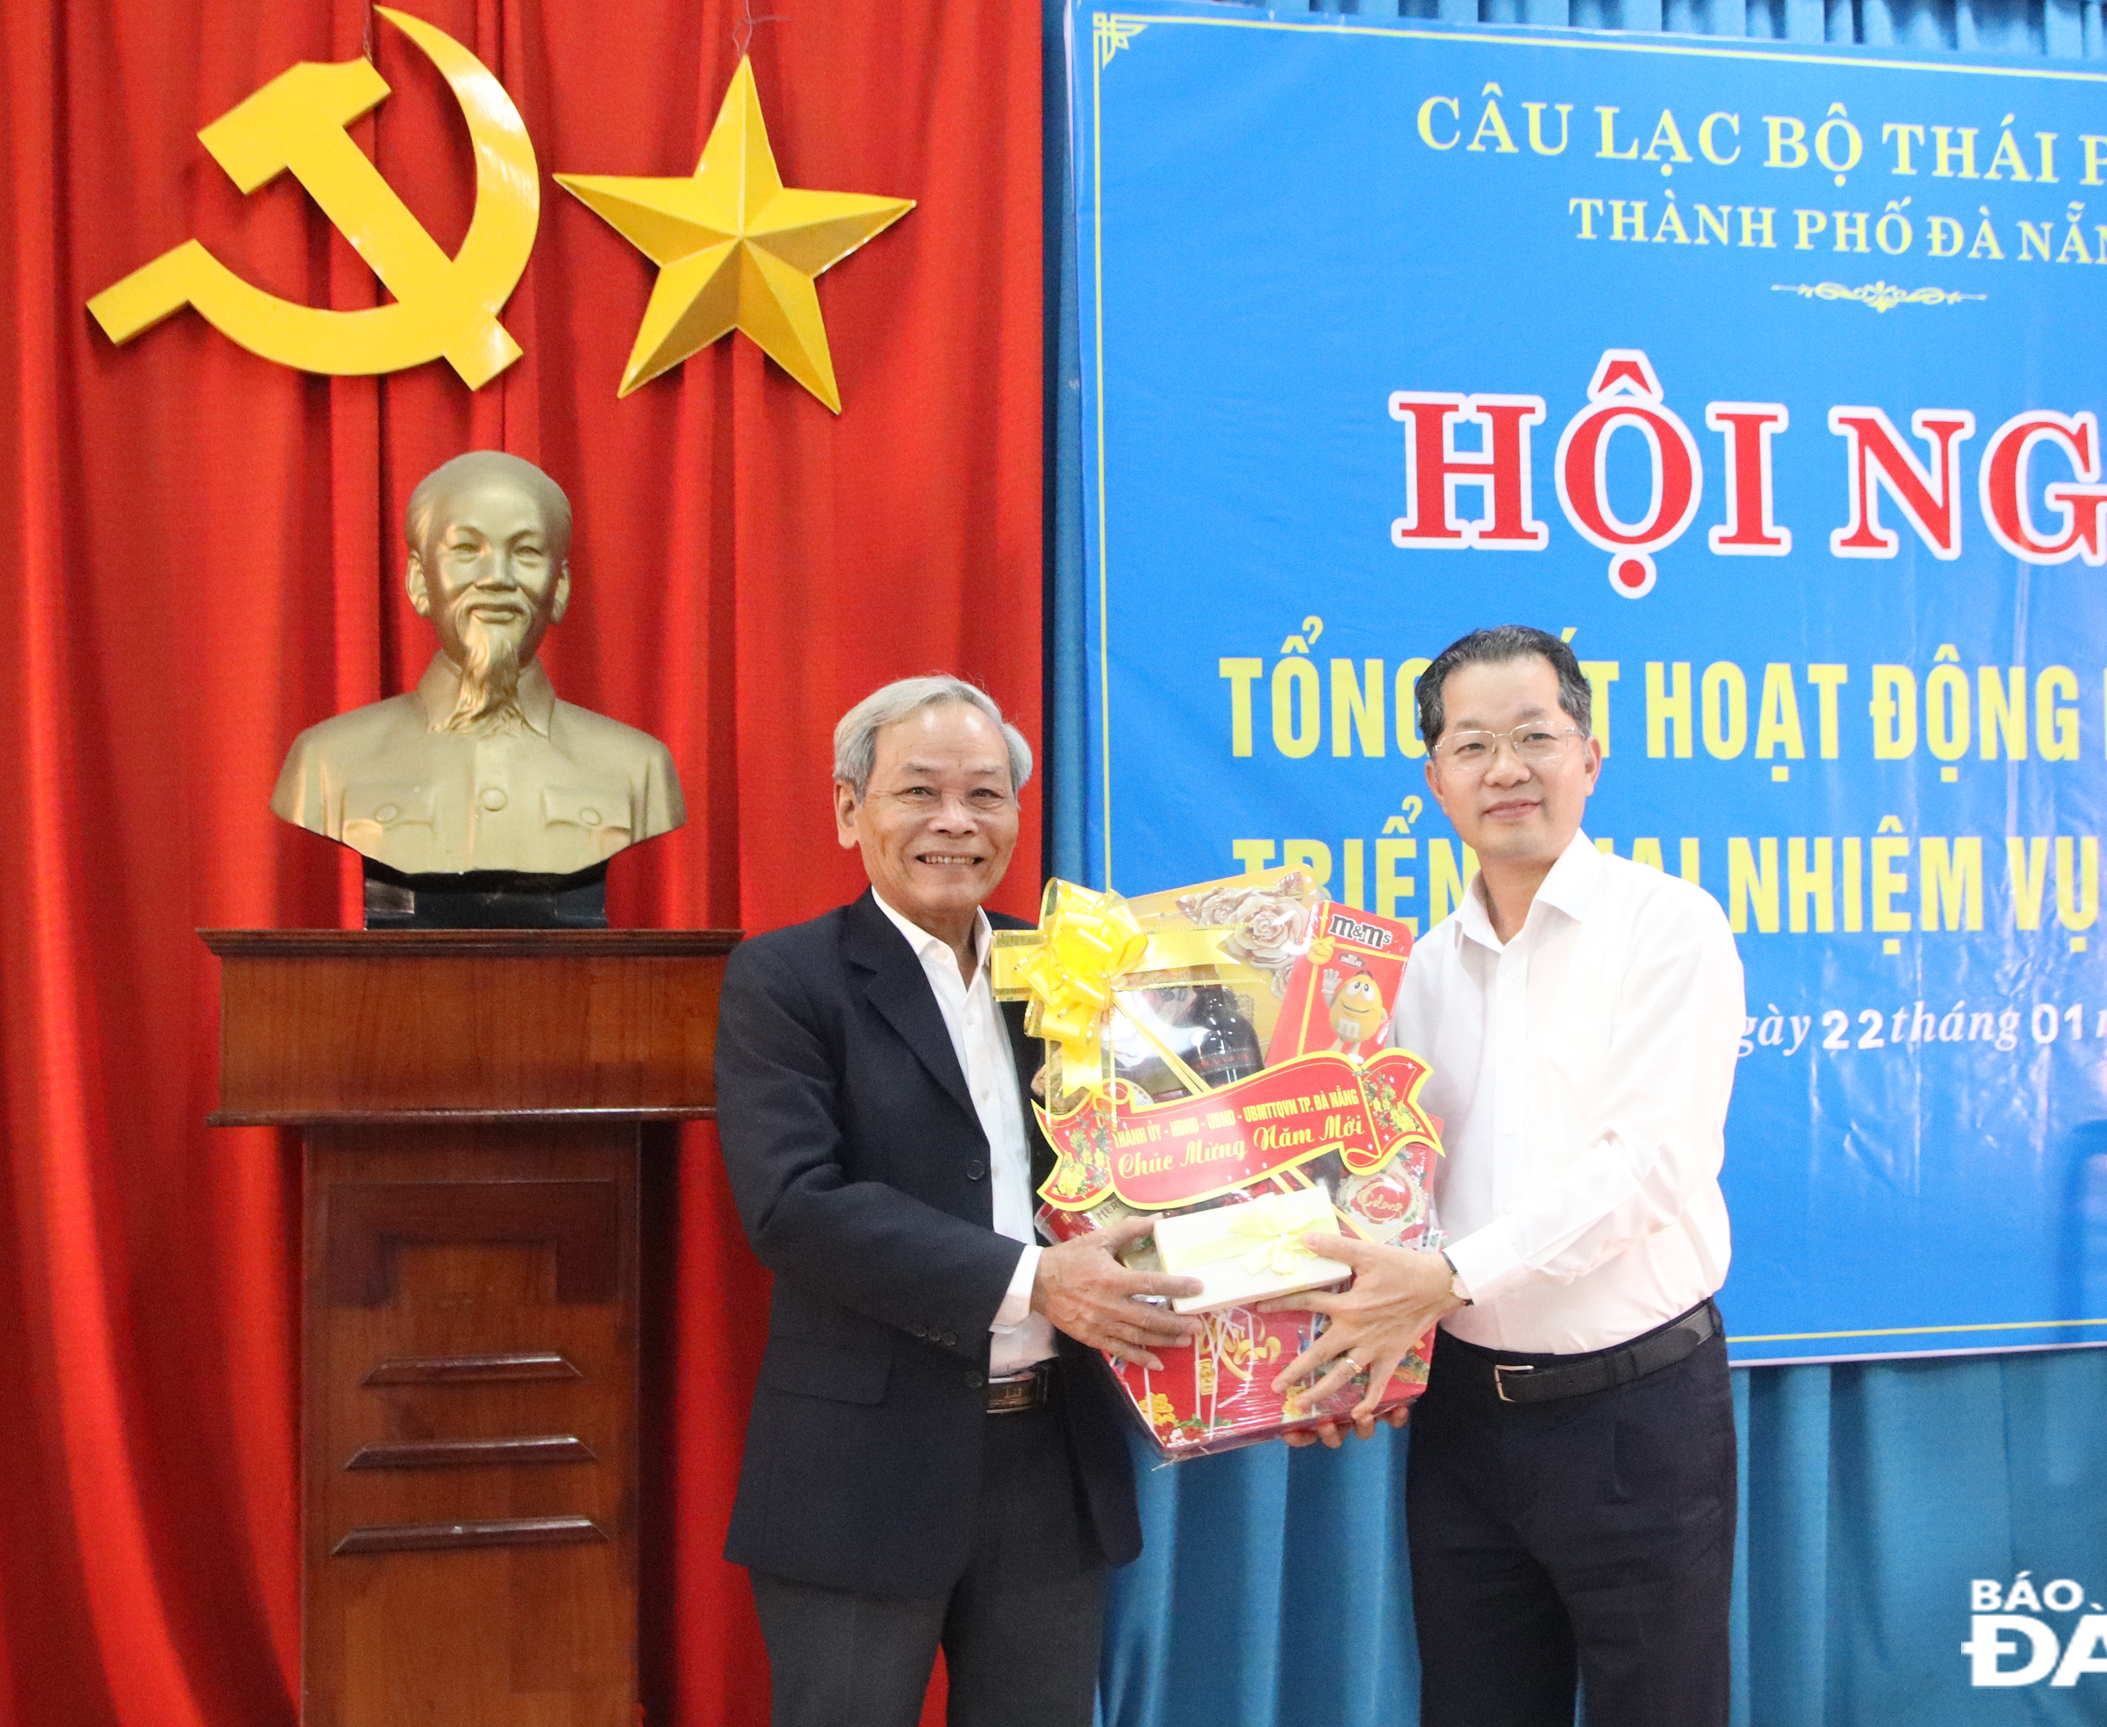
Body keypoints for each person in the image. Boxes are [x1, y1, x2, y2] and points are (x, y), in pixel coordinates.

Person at [1273, 625, 1747, 1727]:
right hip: (1461, 1425)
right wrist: (1339, 1353)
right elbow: (1383, 1192)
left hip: (1635, 1414)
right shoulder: (1413, 975)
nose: (1506, 767)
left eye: (1535, 735)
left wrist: (1440, 1277)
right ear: (1433, 776)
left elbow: (1650, 1164)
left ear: (1590, 755)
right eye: (1472, 742)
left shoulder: (1667, 925)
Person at [713, 675, 1200, 1727]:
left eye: (985, 794)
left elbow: (1162, 1156)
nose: (953, 821)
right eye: (917, 791)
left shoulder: (1069, 975)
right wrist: (1035, 1279)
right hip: (860, 1472)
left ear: (1019, 817)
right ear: (850, 809)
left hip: (1049, 1459)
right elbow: (792, 1205)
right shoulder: (787, 978)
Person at [271, 450, 683, 876]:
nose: (497, 577)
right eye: (467, 549)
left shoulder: (638, 768)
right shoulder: (325, 760)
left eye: (525, 552)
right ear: (418, 580)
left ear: (559, 586)